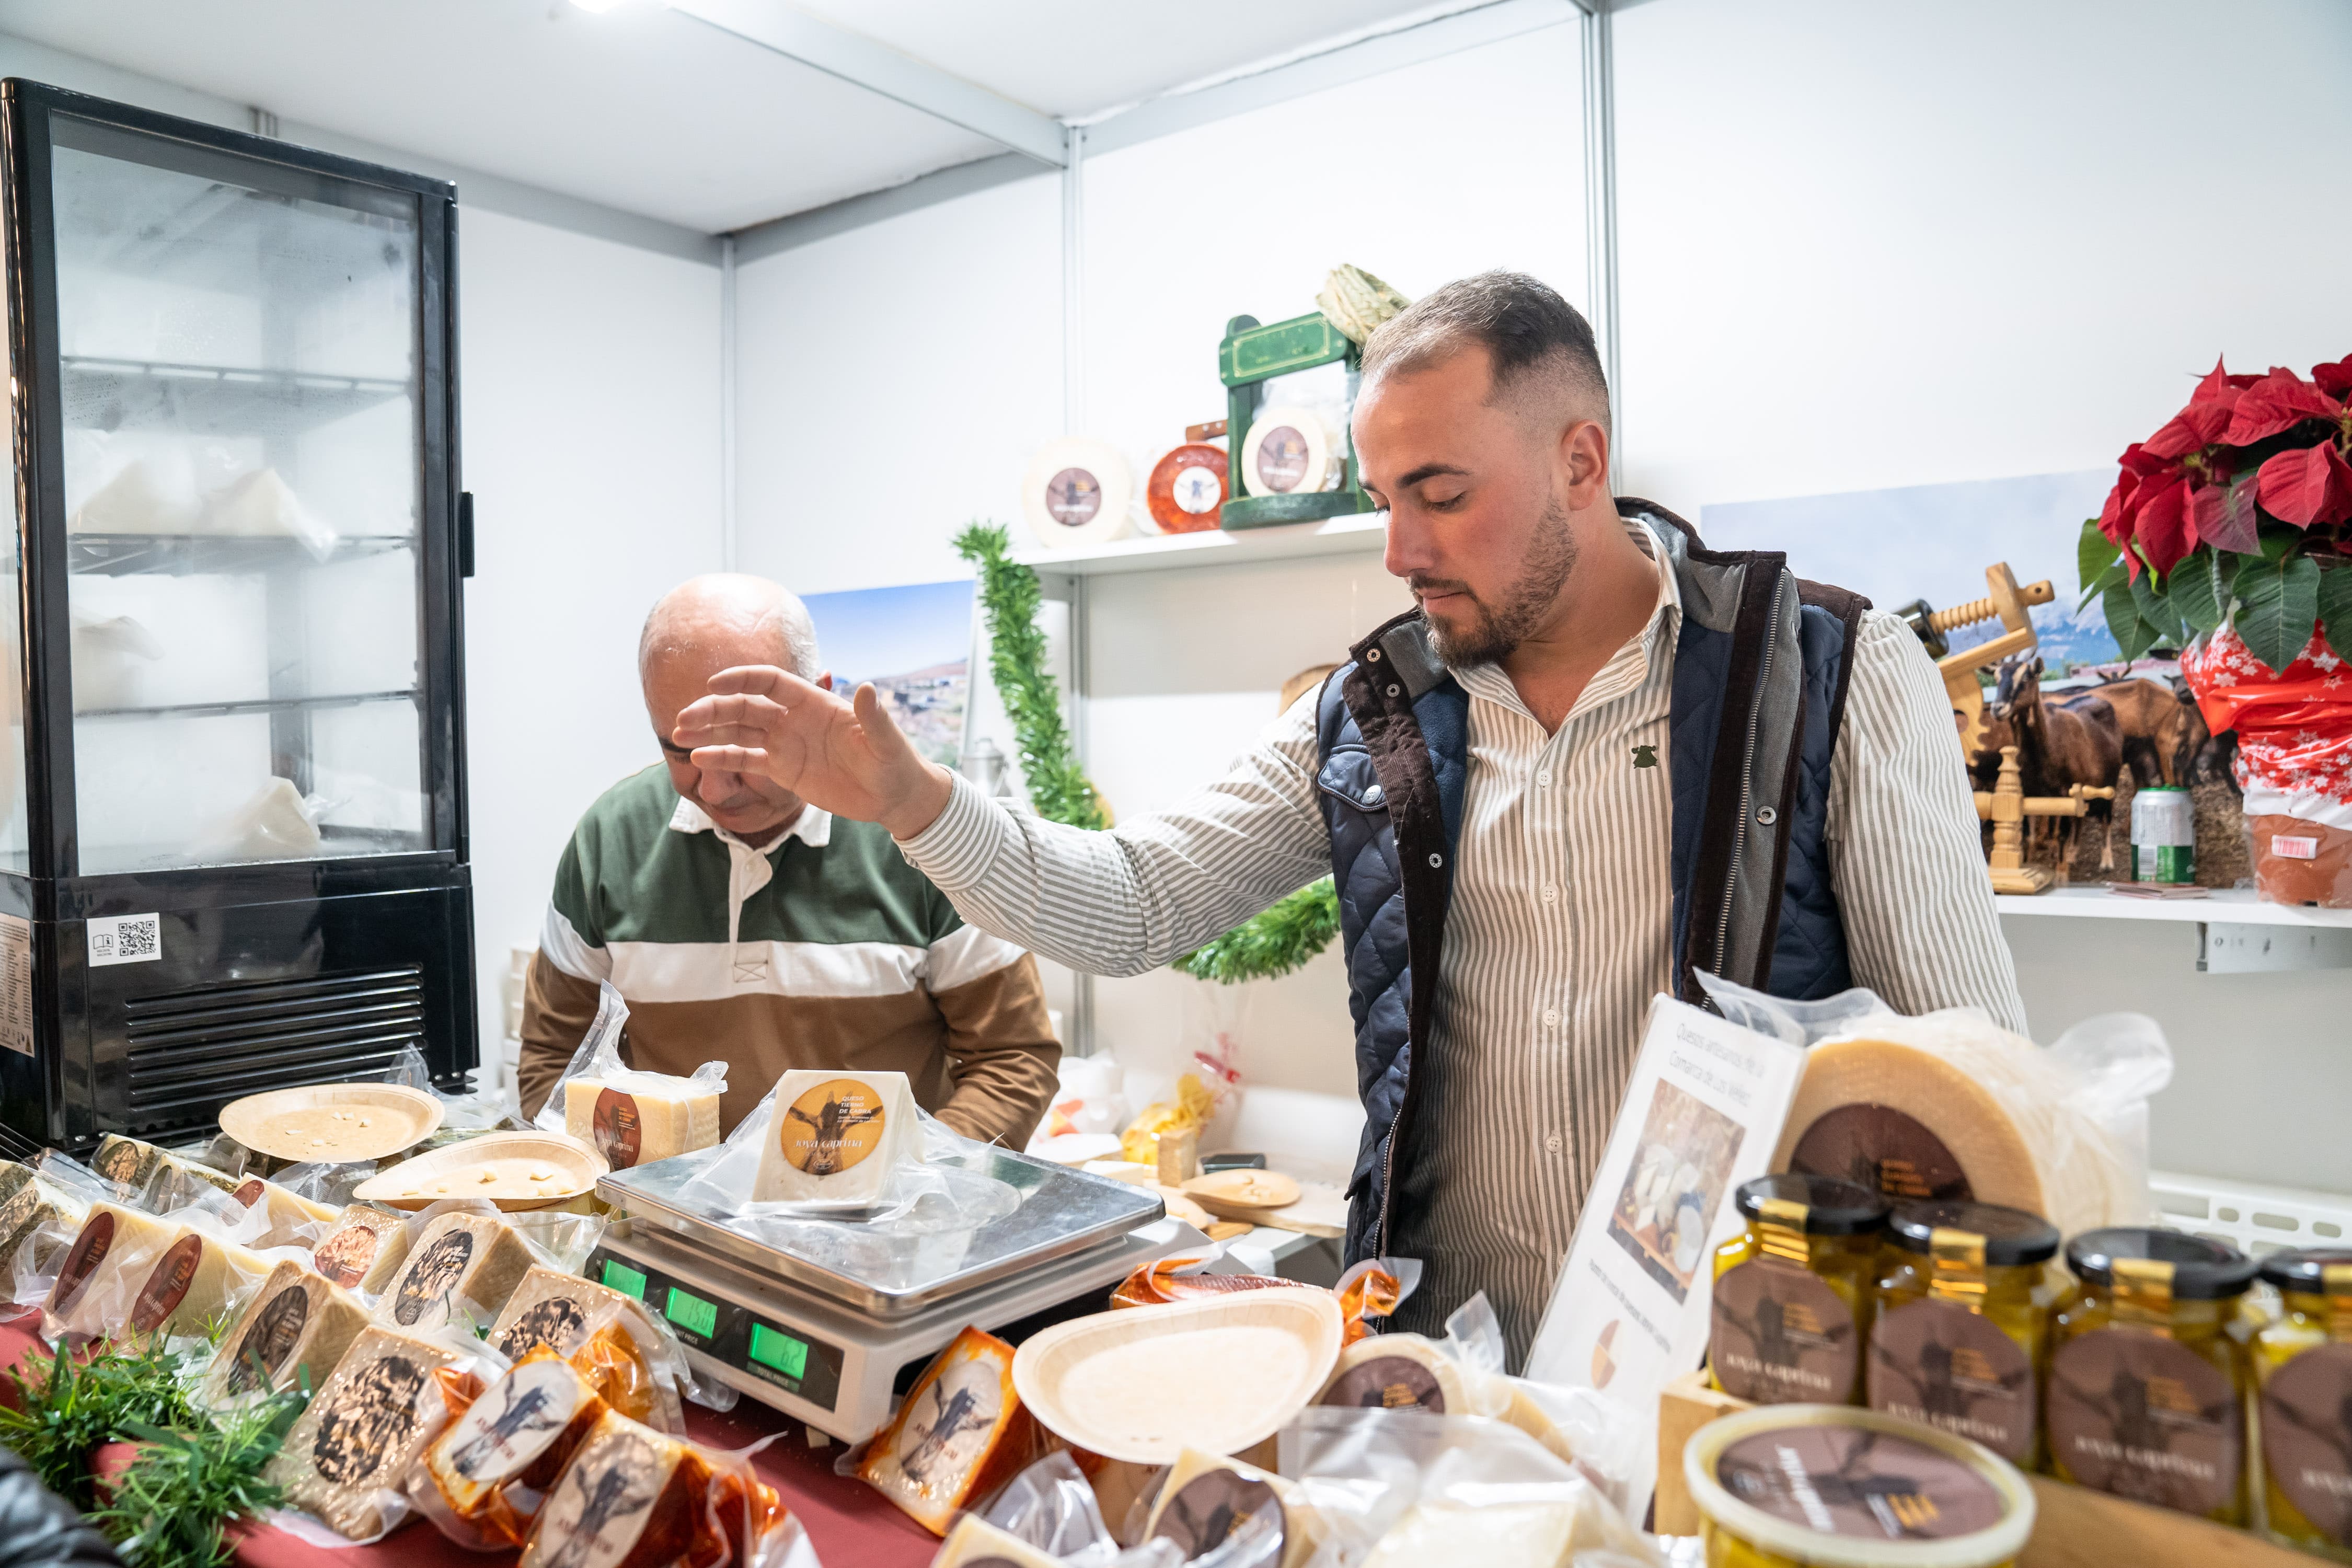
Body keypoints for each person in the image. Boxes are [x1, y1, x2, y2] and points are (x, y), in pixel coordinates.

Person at [670, 275, 2026, 1365]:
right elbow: (1132, 905)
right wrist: (908, 801)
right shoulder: (1378, 710)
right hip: (1451, 1377)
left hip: (1737, 1377)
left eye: (1440, 494)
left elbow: (1979, 1077)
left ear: (1578, 458)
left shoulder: (1825, 668)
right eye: (1384, 500)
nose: (1400, 547)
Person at [516, 574, 1060, 1149]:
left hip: (879, 1228)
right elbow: (555, 1063)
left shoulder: (922, 831)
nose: (718, 788)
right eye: (682, 753)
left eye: (741, 746)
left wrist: (917, 1183)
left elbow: (1013, 1059)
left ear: (821, 697)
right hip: (666, 1228)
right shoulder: (609, 840)